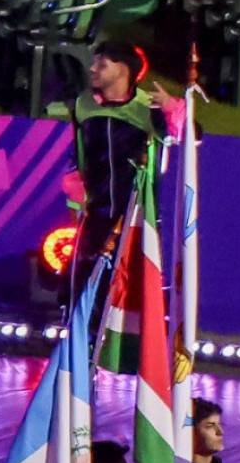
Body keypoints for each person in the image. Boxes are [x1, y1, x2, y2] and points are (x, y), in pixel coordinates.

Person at [51, 41, 178, 304]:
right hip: (94, 214)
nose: (92, 69)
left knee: (125, 293)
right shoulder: (83, 104)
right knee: (77, 291)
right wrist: (75, 201)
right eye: (94, 62)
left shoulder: (148, 108)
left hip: (134, 217)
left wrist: (171, 108)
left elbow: (191, 136)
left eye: (102, 64)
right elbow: (78, 154)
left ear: (122, 70)